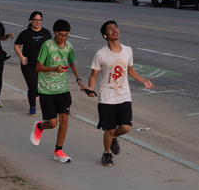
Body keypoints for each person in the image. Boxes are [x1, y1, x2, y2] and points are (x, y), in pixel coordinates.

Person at [85, 20, 155, 167]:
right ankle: (106, 154)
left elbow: (130, 70)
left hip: (124, 95)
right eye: (110, 29)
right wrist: (90, 89)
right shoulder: (101, 54)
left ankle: (113, 138)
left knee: (126, 127)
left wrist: (144, 81)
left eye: (116, 27)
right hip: (107, 96)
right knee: (109, 128)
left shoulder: (128, 50)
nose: (114, 30)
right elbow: (93, 75)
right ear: (105, 35)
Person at [29, 19, 83, 163]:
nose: (63, 38)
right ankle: (39, 126)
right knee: (52, 123)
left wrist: (78, 79)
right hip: (46, 89)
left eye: (66, 36)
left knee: (64, 118)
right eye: (61, 35)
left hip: (62, 88)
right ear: (54, 33)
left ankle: (58, 150)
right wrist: (54, 68)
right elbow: (38, 67)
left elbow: (71, 62)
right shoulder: (47, 46)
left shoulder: (69, 46)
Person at [14, 11, 52, 116]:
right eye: (35, 20)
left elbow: (50, 47)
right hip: (28, 65)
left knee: (41, 88)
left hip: (42, 65)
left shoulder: (46, 33)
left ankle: (42, 102)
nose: (37, 22)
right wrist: (21, 57)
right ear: (31, 20)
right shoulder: (25, 33)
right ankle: (32, 106)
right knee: (33, 87)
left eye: (39, 20)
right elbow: (17, 45)